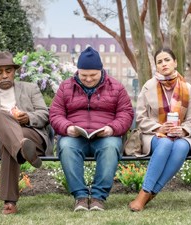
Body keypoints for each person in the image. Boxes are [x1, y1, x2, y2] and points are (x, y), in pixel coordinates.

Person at [49, 46, 134, 212]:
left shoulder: (116, 87)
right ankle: (80, 197)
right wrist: (68, 128)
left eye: (93, 75)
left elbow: (126, 114)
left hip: (105, 137)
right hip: (74, 137)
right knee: (65, 146)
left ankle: (98, 198)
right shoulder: (66, 87)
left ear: (101, 71)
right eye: (84, 75)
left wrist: (111, 128)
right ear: (78, 71)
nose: (88, 79)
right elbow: (55, 114)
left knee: (111, 147)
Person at [0, 51, 53, 215]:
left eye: (8, 71)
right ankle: (21, 148)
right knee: (1, 116)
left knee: (7, 143)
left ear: (14, 71)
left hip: (30, 134)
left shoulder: (30, 89)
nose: (4, 76)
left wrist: (28, 117)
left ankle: (10, 202)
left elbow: (44, 114)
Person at [128, 47, 191, 212]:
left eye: (167, 60)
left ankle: (149, 193)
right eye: (159, 61)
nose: (164, 64)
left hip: (180, 135)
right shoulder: (148, 87)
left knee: (182, 146)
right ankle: (145, 192)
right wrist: (160, 127)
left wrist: (182, 130)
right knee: (166, 143)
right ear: (156, 66)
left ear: (175, 62)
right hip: (153, 135)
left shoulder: (186, 88)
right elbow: (140, 118)